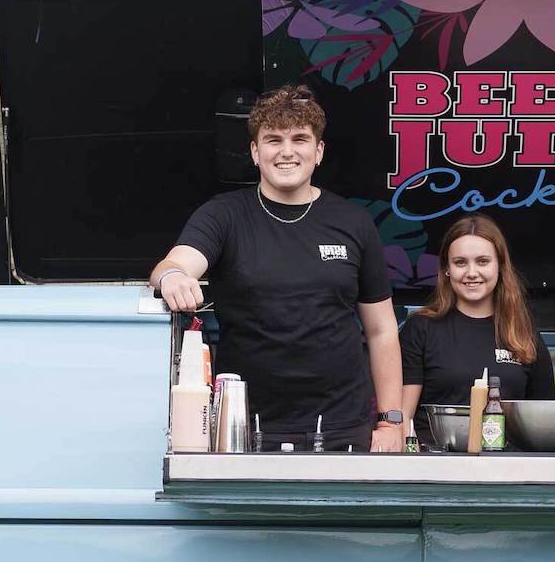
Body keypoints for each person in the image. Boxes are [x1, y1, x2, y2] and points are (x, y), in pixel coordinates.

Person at [149, 85, 404, 452]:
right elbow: (174, 263)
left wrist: (390, 420)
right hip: (245, 426)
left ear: (318, 151)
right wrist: (173, 276)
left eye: (300, 139)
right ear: (255, 152)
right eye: (273, 140)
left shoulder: (353, 222)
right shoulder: (224, 215)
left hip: (342, 427)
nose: (286, 151)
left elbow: (381, 331)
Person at [400, 216, 554, 443]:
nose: (471, 272)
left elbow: (543, 422)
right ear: (446, 269)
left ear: (500, 266)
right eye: (460, 262)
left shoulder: (523, 332)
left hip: (507, 469)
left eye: (482, 261)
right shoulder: (420, 328)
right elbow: (402, 420)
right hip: (434, 467)